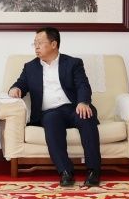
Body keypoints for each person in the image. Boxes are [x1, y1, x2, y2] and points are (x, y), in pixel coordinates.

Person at [8, 27, 101, 188]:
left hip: (74, 108)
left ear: (53, 44)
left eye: (40, 42)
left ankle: (94, 171)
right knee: (51, 121)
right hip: (50, 112)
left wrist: (83, 102)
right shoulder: (30, 67)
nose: (36, 46)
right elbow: (20, 84)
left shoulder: (73, 63)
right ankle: (65, 171)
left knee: (86, 116)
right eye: (34, 43)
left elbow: (83, 85)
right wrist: (15, 89)